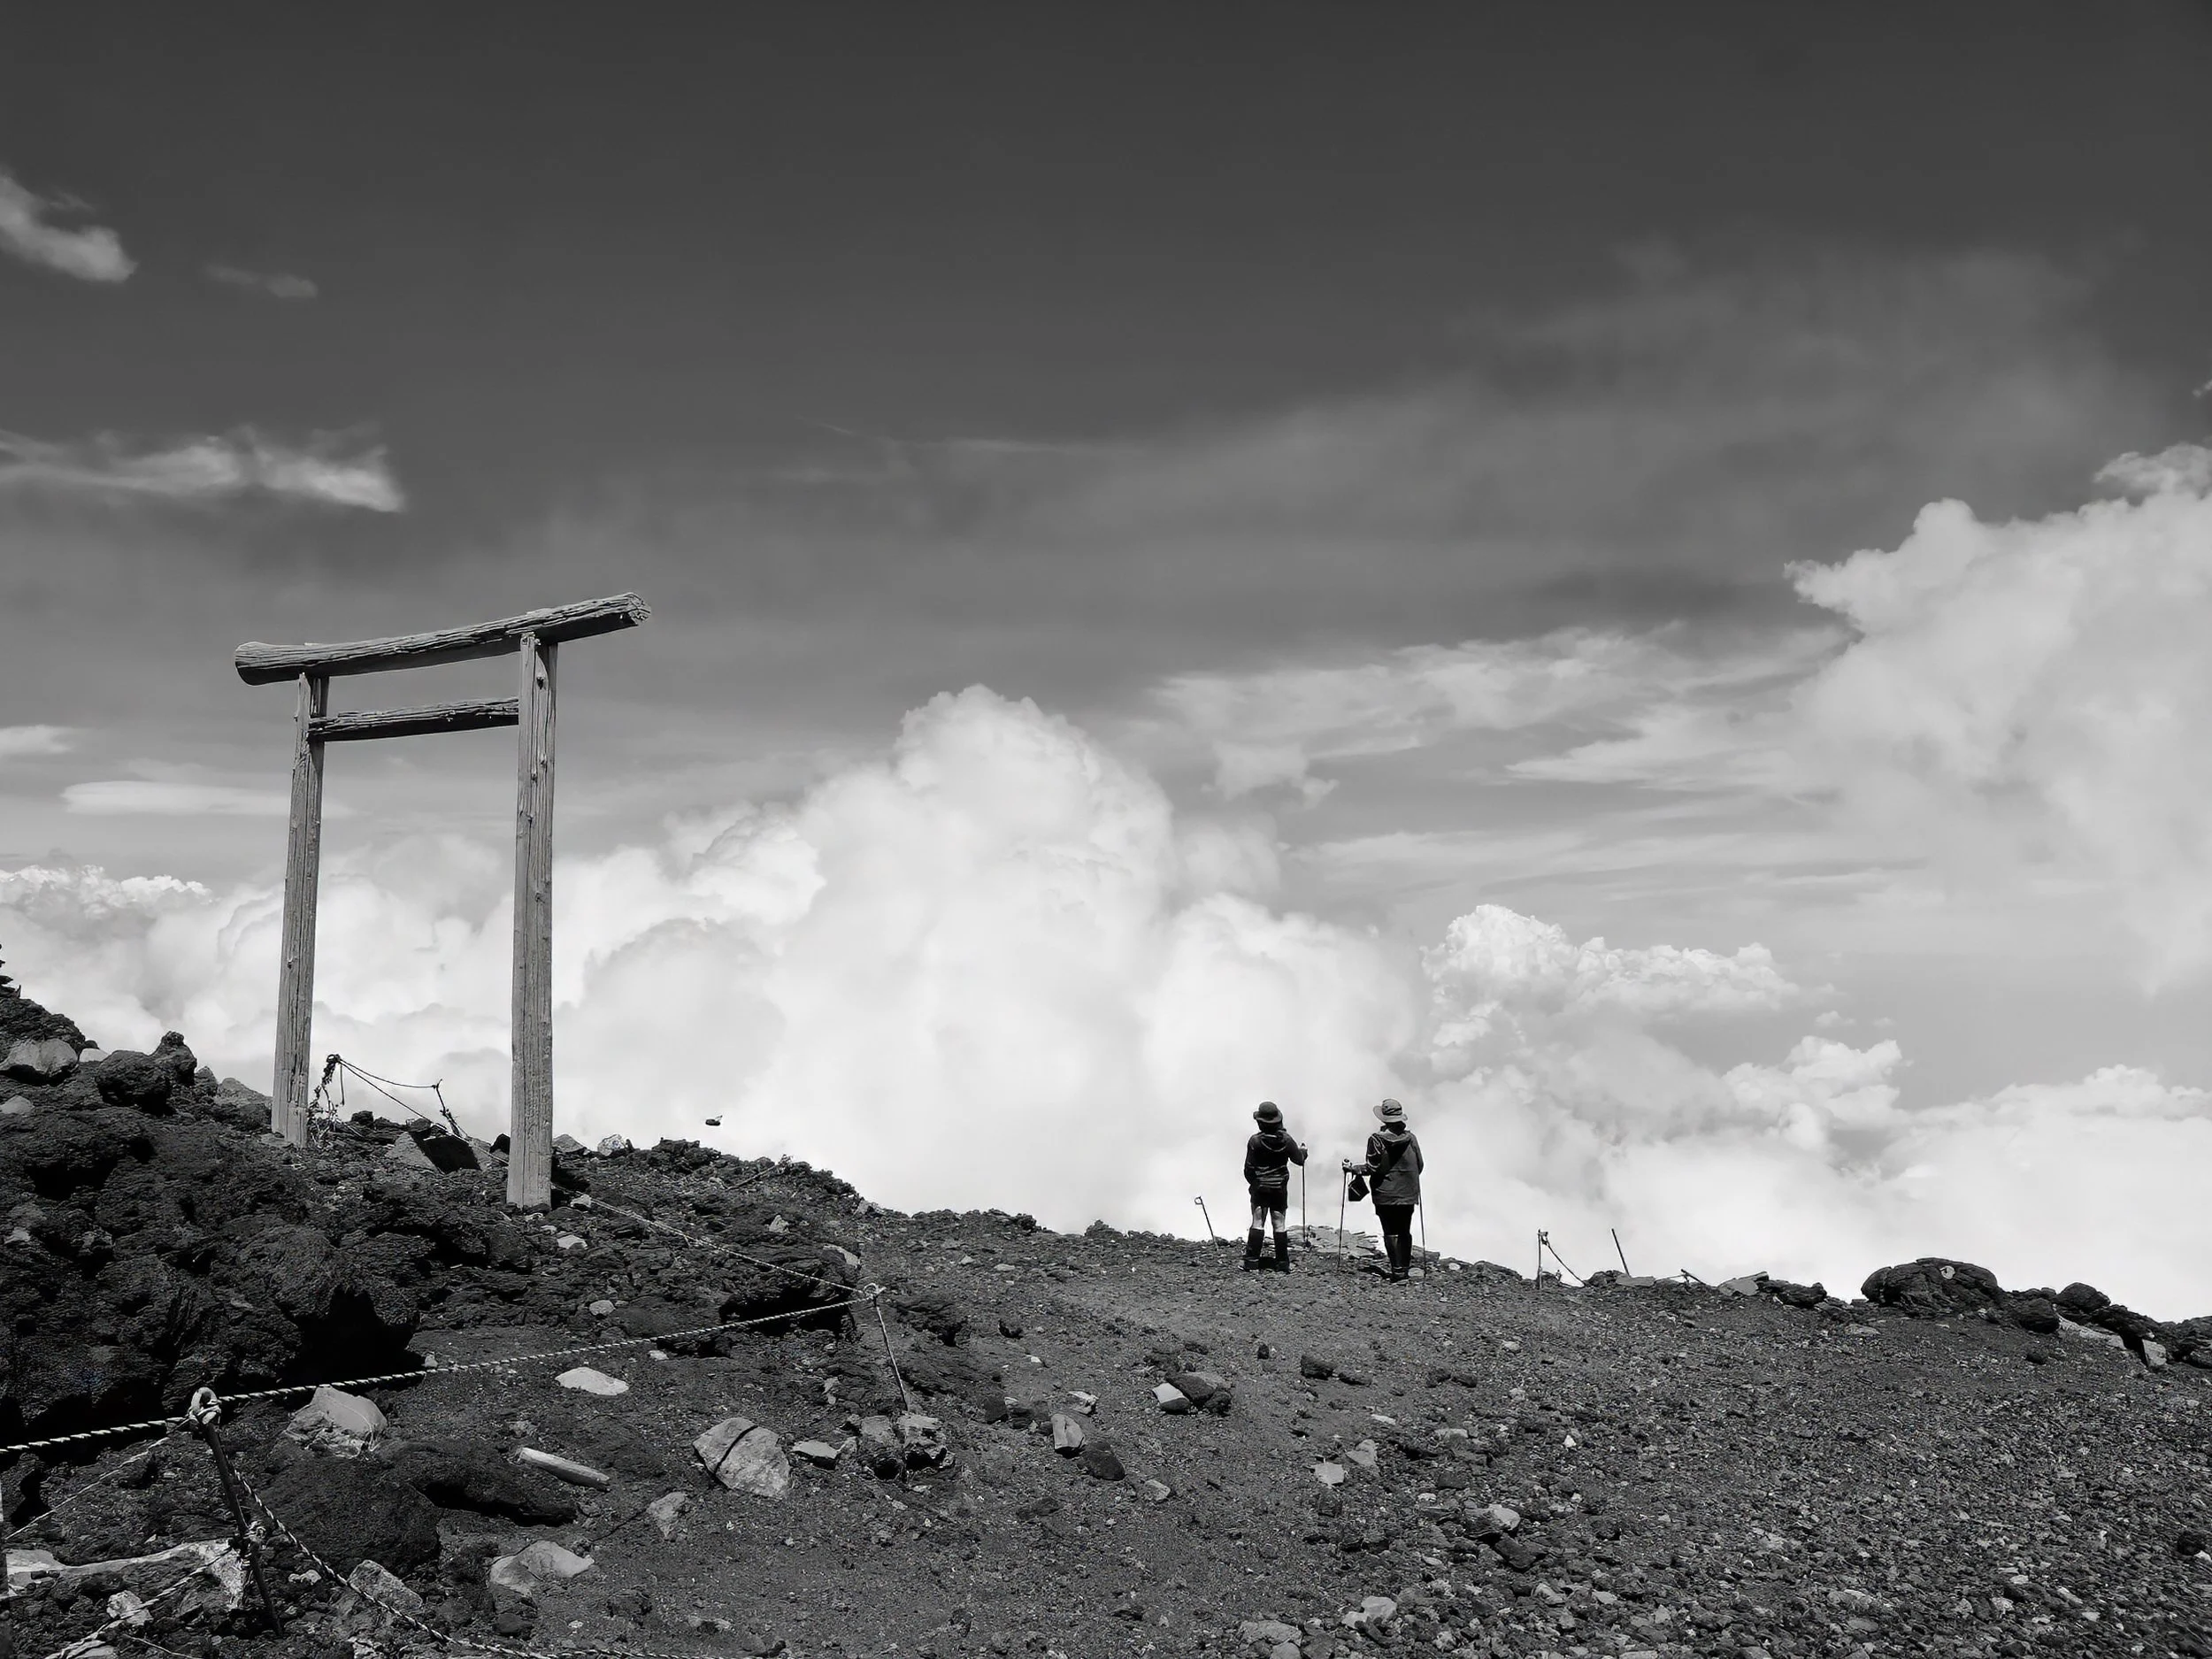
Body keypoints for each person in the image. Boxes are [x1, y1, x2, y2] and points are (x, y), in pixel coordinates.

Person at [1352, 1097, 1424, 1281]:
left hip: (1385, 1193)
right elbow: (1420, 1165)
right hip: (1408, 1192)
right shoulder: (1411, 1138)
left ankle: (1397, 1271)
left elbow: (1372, 1167)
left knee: (1390, 1230)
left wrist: (1354, 1169)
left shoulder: (1376, 1139)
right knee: (1405, 1229)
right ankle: (1404, 1269)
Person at [1241, 1101, 1308, 1272]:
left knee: (1258, 1221)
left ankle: (1251, 1262)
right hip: (1279, 1188)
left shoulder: (1255, 1141)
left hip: (1260, 1187)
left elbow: (1248, 1169)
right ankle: (1282, 1264)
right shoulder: (1286, 1140)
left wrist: (1255, 1183)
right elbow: (1299, 1160)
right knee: (1279, 1224)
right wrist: (1303, 1151)